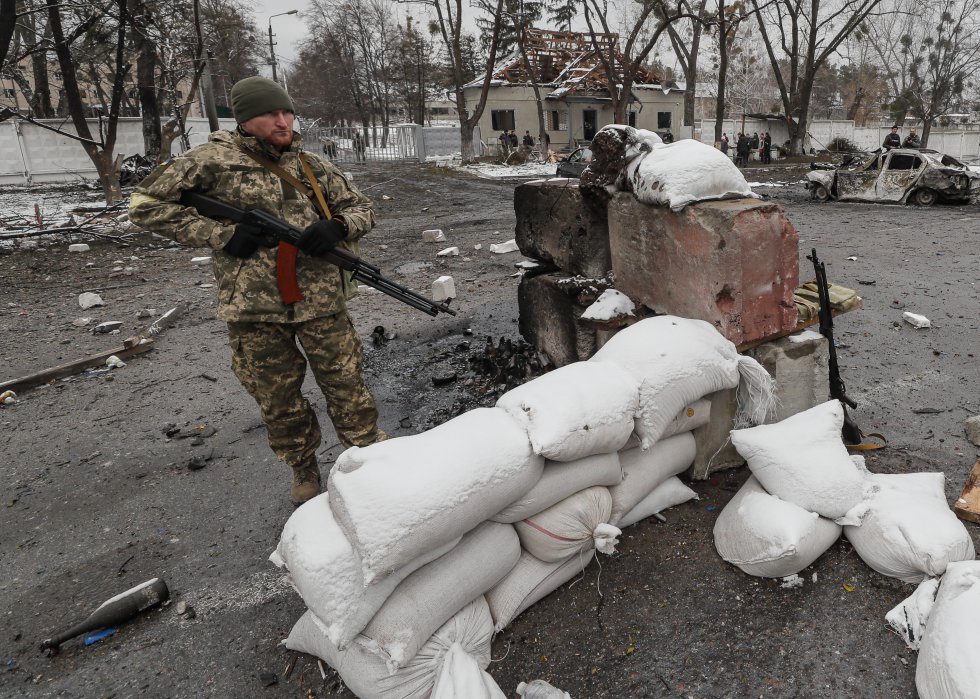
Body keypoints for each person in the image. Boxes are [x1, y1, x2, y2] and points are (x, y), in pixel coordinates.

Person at [128, 76, 386, 505]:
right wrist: (219, 235)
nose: (283, 121)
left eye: (287, 112)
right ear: (246, 120)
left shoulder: (312, 164)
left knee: (347, 385)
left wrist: (338, 226)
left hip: (321, 301)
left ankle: (369, 459)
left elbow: (362, 208)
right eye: (271, 114)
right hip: (253, 308)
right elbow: (144, 206)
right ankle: (303, 469)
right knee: (278, 397)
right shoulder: (209, 160)